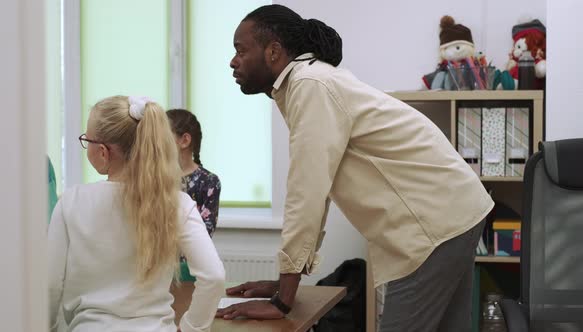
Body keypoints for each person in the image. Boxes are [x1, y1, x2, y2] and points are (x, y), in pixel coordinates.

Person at [218, 5, 494, 332]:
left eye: (240, 50)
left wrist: (283, 300)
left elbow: (307, 192)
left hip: (433, 225)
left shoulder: (310, 85)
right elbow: (316, 191)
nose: (233, 61)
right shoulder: (310, 82)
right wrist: (285, 284)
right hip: (456, 210)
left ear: (274, 51)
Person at [48, 96, 225, 332]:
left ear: (103, 152)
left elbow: (50, 285)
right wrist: (192, 327)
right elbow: (213, 276)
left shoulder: (72, 201)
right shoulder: (177, 203)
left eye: (86, 139)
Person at [167, 108, 221, 281]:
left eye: (164, 138)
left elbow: (204, 232)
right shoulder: (155, 179)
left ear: (185, 140)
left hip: (190, 270)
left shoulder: (208, 182)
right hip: (156, 268)